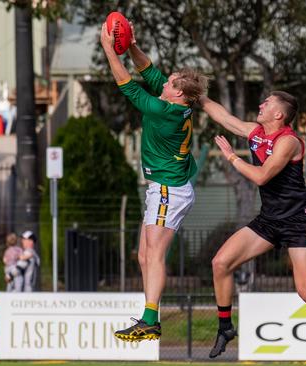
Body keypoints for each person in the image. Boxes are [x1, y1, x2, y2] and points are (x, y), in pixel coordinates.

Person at [200, 91, 306, 365]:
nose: (260, 105)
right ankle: (225, 327)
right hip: (269, 220)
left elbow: (261, 176)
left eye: (267, 103)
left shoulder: (289, 142)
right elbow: (225, 118)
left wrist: (232, 157)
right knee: (220, 263)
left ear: (279, 115)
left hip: (296, 221)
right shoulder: (256, 132)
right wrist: (198, 97)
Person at [100, 21, 208, 342]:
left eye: (170, 80)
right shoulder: (177, 103)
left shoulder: (164, 111)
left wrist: (109, 47)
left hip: (167, 190)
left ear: (177, 93)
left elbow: (128, 85)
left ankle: (150, 320)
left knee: (155, 255)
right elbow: (148, 71)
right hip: (165, 188)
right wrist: (130, 43)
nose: (165, 79)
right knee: (144, 256)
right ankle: (149, 317)